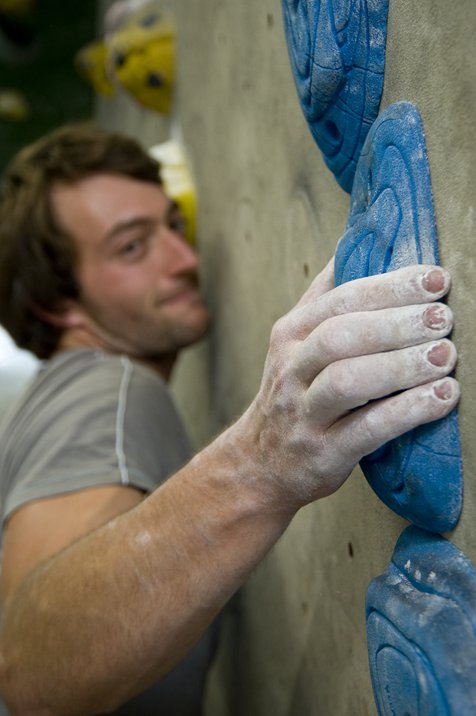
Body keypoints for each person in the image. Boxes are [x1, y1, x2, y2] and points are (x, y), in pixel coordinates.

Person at [0, 124, 459, 716]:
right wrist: (259, 464)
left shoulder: (60, 399)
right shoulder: (105, 389)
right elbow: (30, 665)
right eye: (132, 247)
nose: (185, 259)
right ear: (56, 302)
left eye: (172, 224)